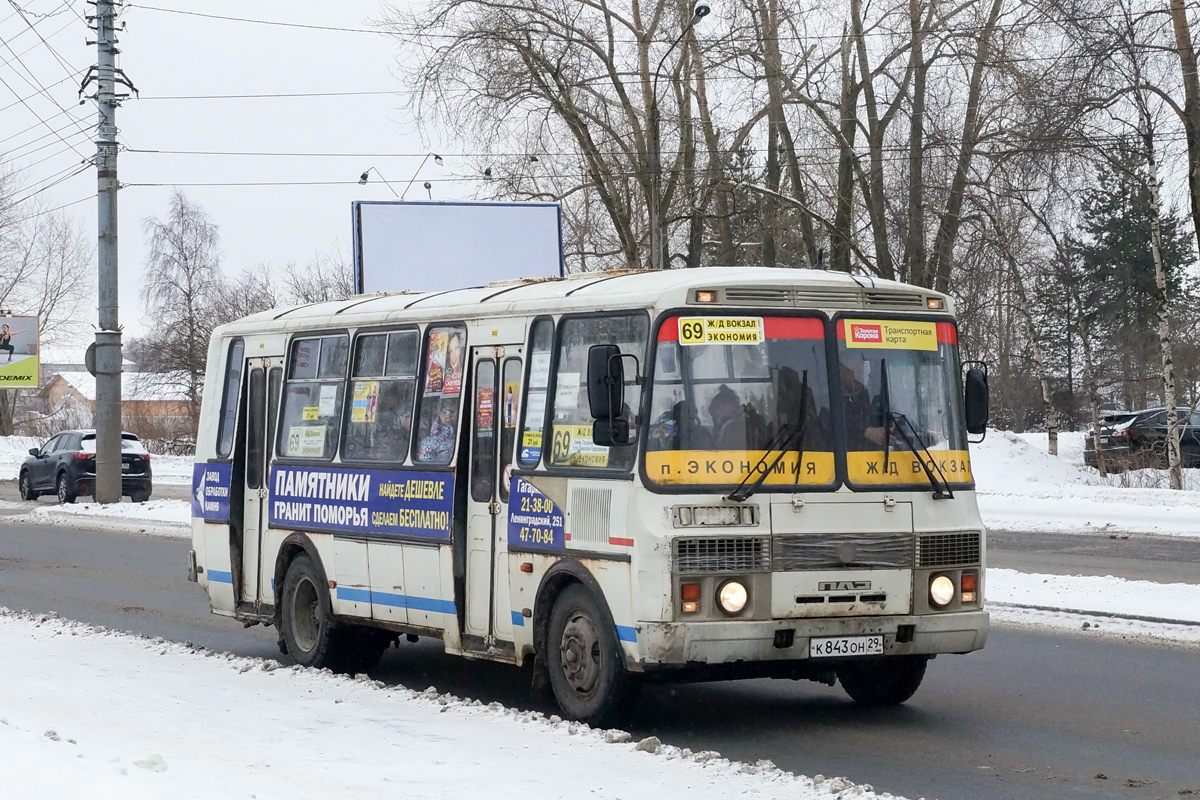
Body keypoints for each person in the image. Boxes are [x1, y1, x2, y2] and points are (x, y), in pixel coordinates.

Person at [708, 384, 750, 450]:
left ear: (728, 405)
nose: (718, 416)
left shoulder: (732, 426)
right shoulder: (743, 419)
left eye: (718, 409)